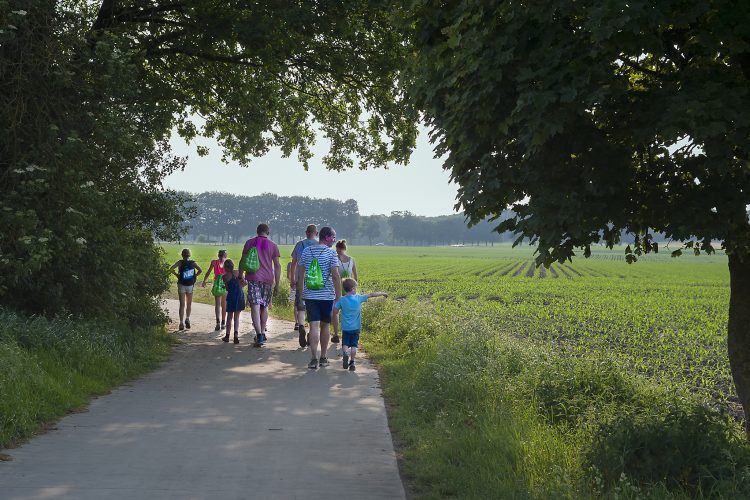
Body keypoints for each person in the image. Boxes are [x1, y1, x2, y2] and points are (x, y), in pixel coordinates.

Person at [296, 226, 342, 369]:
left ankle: (313, 359)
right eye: (333, 237)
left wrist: (301, 292)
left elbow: (301, 274)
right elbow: (335, 276)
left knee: (314, 325)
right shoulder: (331, 254)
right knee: (325, 325)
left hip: (310, 295)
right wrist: (338, 297)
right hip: (327, 296)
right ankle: (323, 357)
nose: (334, 240)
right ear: (327, 237)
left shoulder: (306, 251)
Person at [241, 223, 281, 346]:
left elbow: (243, 260)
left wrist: (240, 275)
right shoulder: (273, 245)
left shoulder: (249, 243)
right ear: (268, 232)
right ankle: (263, 332)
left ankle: (258, 334)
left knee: (255, 305)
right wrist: (277, 283)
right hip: (268, 278)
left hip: (253, 277)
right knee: (265, 306)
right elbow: (277, 266)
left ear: (257, 231)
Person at [335, 278, 387, 371]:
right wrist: (383, 293)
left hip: (346, 328)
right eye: (355, 288)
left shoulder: (342, 300)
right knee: (354, 346)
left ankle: (345, 353)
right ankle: (352, 362)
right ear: (353, 289)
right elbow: (371, 295)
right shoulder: (358, 298)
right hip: (356, 328)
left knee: (345, 344)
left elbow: (335, 311)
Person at [290, 224, 318, 347]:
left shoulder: (299, 244)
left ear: (306, 232)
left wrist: (292, 278)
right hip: (315, 281)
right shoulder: (319, 246)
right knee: (313, 307)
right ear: (316, 233)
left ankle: (301, 325)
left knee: (301, 306)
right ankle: (311, 332)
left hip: (301, 279)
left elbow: (293, 263)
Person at [331, 239, 359, 344]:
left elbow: (333, 274)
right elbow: (355, 276)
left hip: (337, 288)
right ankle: (348, 332)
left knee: (336, 312)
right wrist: (355, 289)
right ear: (345, 248)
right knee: (348, 312)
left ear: (337, 248)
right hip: (350, 288)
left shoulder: (335, 259)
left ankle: (336, 334)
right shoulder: (352, 260)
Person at [169, 248, 202, 330]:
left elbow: (171, 269)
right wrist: (194, 276)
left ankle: (181, 323)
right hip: (190, 285)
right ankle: (187, 318)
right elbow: (200, 270)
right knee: (189, 304)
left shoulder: (179, 262)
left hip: (181, 284)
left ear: (182, 255)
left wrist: (177, 275)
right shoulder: (193, 263)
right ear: (189, 255)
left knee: (182, 304)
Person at [201, 249, 228, 331]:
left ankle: (217, 322)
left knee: (217, 304)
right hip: (225, 284)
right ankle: (223, 323)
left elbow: (208, 272)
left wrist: (204, 281)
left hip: (217, 284)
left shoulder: (214, 262)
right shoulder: (227, 262)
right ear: (225, 256)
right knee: (224, 305)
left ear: (218, 255)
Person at [222, 259, 246, 344]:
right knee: (237, 317)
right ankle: (236, 335)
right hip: (239, 296)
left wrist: (224, 286)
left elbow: (228, 288)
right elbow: (244, 283)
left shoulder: (224, 277)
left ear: (225, 267)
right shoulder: (238, 273)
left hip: (231, 297)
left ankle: (227, 336)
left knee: (229, 317)